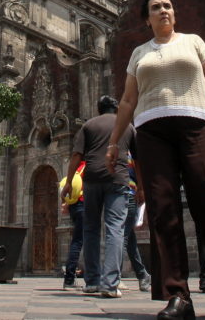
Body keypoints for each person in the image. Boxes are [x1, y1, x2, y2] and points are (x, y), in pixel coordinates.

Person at [107, 0, 205, 320]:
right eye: (156, 7)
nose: (163, 10)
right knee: (162, 211)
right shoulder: (139, 53)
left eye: (168, 5)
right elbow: (127, 101)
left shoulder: (193, 42)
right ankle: (177, 294)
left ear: (174, 13)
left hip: (199, 125)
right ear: (147, 18)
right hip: (152, 132)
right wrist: (114, 143)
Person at [62, 95, 133, 298]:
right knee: (115, 229)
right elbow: (140, 158)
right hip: (118, 179)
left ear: (98, 108)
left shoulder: (89, 125)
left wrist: (68, 182)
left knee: (90, 229)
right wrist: (142, 189)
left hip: (92, 179)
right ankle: (111, 284)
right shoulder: (127, 125)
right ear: (116, 108)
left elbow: (76, 155)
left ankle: (92, 281)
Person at [123, 152, 151, 292]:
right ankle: (142, 274)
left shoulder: (130, 152)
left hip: (129, 193)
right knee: (128, 238)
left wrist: (141, 189)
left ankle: (112, 277)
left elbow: (140, 168)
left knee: (121, 236)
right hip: (116, 194)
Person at [60, 161, 85, 290]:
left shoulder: (77, 168)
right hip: (84, 205)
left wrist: (66, 204)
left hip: (74, 207)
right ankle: (69, 278)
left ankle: (86, 276)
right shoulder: (88, 166)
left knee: (77, 241)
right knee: (81, 241)